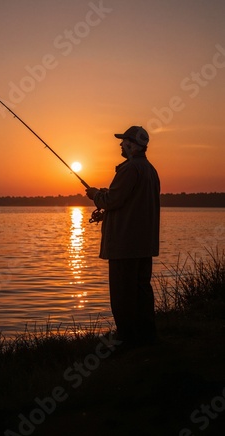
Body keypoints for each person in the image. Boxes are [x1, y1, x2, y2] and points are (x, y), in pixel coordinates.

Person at [86, 125, 160, 347]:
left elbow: (111, 201)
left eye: (124, 141)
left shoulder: (129, 170)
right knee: (142, 292)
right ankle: (147, 337)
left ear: (132, 145)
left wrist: (95, 195)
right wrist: (107, 209)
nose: (120, 144)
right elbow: (131, 204)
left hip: (124, 245)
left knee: (122, 295)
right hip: (143, 244)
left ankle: (126, 340)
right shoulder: (150, 170)